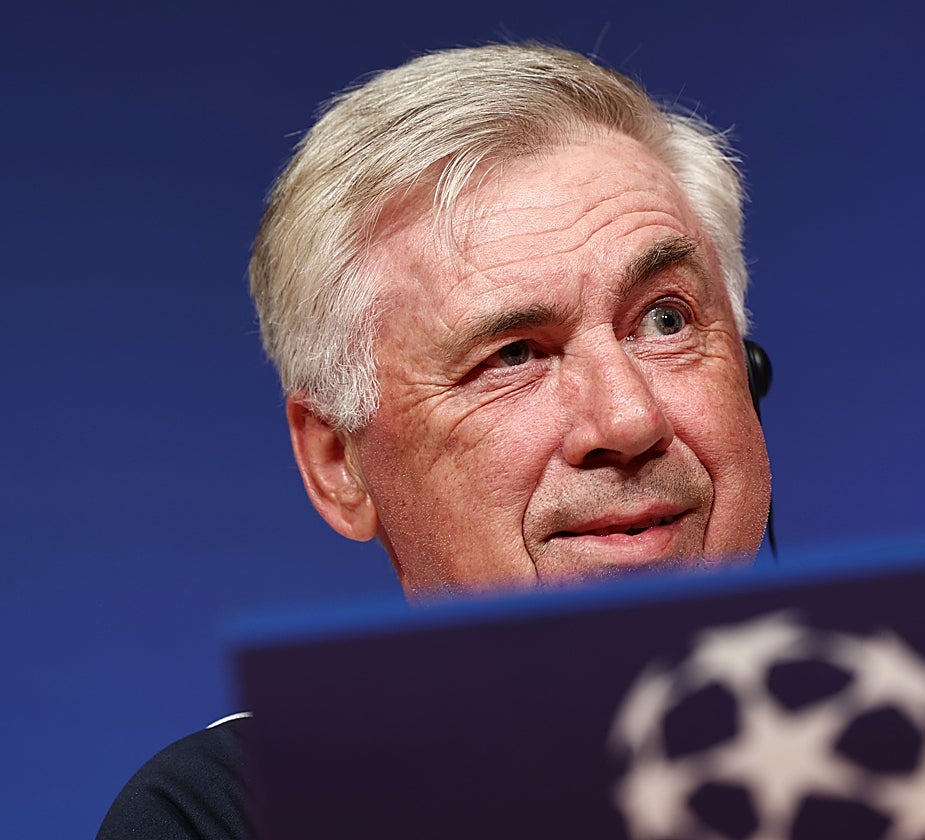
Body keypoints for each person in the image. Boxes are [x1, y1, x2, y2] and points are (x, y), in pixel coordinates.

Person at [97, 42, 772, 838]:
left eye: (665, 319)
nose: (628, 420)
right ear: (340, 465)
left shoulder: (899, 738)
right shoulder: (227, 816)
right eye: (512, 356)